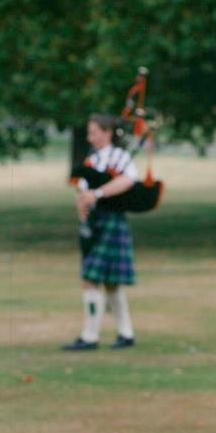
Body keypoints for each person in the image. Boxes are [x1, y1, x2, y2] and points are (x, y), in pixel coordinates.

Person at [62, 113, 138, 351]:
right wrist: (82, 210)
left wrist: (98, 193)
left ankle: (91, 336)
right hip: (94, 223)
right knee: (103, 281)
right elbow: (82, 191)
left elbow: (128, 181)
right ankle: (124, 334)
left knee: (94, 280)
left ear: (107, 133)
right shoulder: (91, 160)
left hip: (112, 220)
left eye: (94, 132)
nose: (89, 136)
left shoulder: (120, 157)